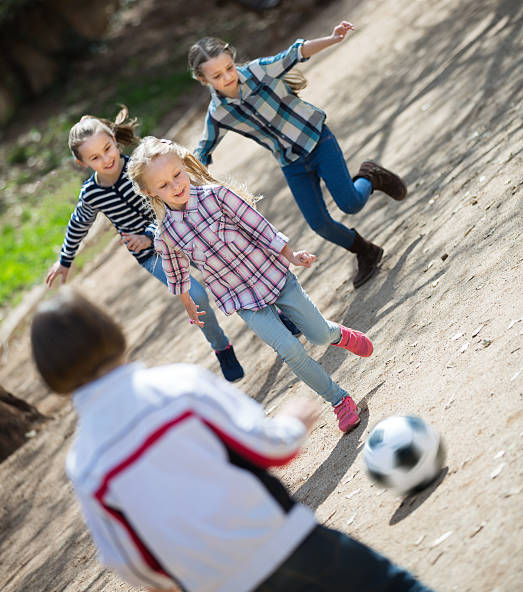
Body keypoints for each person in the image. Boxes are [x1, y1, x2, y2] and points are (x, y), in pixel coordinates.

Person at [30, 287, 458, 592]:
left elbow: (120, 552)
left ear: (53, 378)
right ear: (111, 332)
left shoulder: (83, 464)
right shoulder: (179, 386)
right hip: (282, 541)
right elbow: (268, 449)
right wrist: (292, 424)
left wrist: (163, 581)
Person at [128, 136, 376, 432]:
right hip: (240, 298)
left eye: (176, 175)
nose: (175, 186)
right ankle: (339, 400)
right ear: (149, 191)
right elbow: (177, 274)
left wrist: (291, 254)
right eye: (163, 185)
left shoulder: (217, 196)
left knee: (319, 335)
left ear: (183, 165)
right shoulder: (166, 233)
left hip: (273, 275)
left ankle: (336, 334)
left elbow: (259, 227)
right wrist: (189, 306)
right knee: (290, 350)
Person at [188, 21, 408, 289]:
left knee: (350, 203)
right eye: (217, 76)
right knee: (319, 224)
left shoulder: (258, 71)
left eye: (229, 68)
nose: (227, 77)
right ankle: (366, 251)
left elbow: (294, 53)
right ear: (203, 80)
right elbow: (204, 148)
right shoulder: (218, 113)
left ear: (233, 61)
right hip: (291, 163)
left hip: (317, 140)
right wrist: (180, 177)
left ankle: (371, 176)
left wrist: (332, 38)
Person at [45, 107, 244, 382]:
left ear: (115, 140)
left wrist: (149, 234)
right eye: (95, 157)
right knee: (194, 295)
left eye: (107, 148)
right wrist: (65, 260)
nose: (106, 158)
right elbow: (78, 223)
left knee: (229, 270)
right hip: (151, 254)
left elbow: (166, 200)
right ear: (82, 163)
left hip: (183, 230)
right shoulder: (91, 194)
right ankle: (221, 346)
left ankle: (273, 310)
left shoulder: (139, 168)